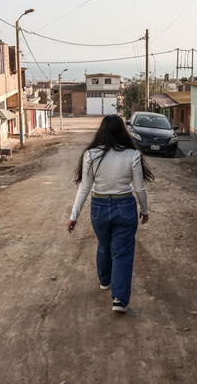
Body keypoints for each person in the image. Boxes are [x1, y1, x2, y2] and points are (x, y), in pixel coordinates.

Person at [68, 115, 154, 313]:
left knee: (104, 245)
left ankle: (105, 280)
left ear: (102, 131)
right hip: (125, 206)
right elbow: (140, 188)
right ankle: (119, 299)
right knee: (122, 253)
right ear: (122, 131)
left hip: (99, 207)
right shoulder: (133, 155)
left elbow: (84, 187)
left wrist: (74, 216)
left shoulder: (91, 155)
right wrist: (145, 210)